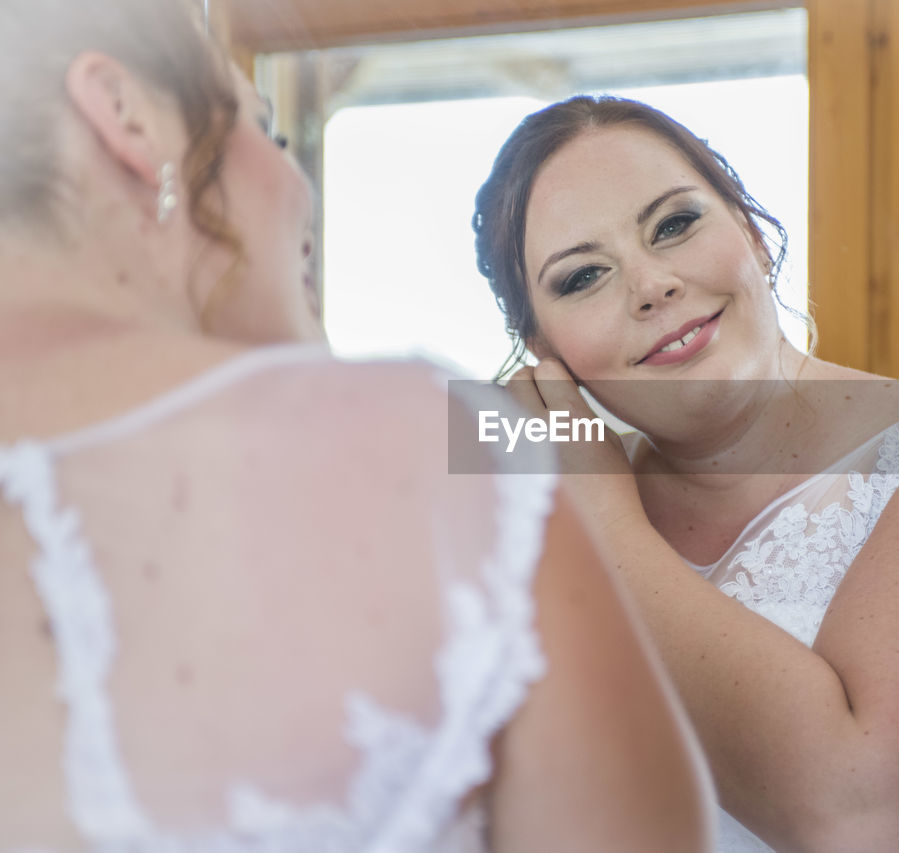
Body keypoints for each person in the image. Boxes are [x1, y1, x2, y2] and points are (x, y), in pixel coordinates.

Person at [0, 4, 714, 851]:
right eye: (265, 133)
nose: (293, 185)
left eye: (677, 222)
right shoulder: (429, 454)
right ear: (123, 114)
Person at [474, 95, 899, 853]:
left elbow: (871, 817)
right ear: (543, 349)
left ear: (751, 230)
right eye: (584, 275)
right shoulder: (521, 530)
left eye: (675, 224)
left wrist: (604, 525)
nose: (651, 284)